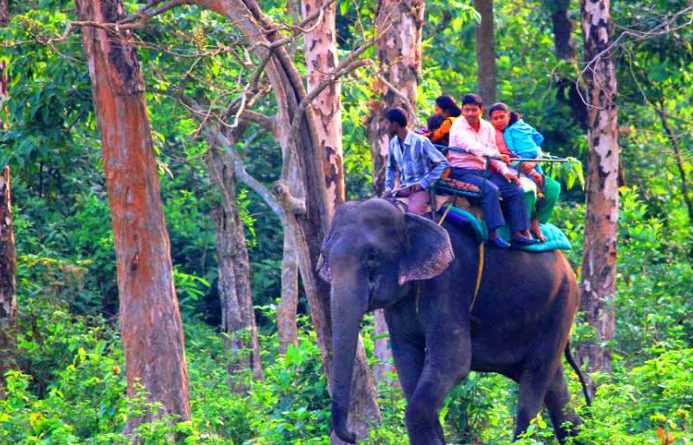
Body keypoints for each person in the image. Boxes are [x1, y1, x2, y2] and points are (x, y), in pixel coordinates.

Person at [447, 94, 536, 249]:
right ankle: (493, 235)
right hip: (462, 170)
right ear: (462, 110)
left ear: (480, 111)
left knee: (514, 188)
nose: (469, 113)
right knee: (491, 190)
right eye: (466, 110)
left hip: (483, 169)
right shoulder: (457, 127)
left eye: (473, 110)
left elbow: (492, 150)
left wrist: (504, 171)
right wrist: (496, 155)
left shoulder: (487, 127)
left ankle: (517, 233)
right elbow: (472, 146)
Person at [488, 103, 561, 242]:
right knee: (527, 190)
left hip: (530, 167)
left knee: (553, 188)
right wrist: (529, 170)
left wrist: (534, 164)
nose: (499, 121)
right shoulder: (494, 134)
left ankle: (536, 222)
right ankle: (524, 227)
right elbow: (505, 157)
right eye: (495, 118)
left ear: (509, 116)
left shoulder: (519, 129)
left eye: (502, 117)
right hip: (508, 170)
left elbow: (537, 147)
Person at [384, 107, 449, 215]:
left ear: (395, 124)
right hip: (402, 189)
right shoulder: (393, 143)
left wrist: (423, 183)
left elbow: (443, 163)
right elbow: (391, 167)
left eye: (387, 124)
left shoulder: (421, 141)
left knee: (412, 216)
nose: (385, 127)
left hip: (421, 191)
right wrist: (388, 189)